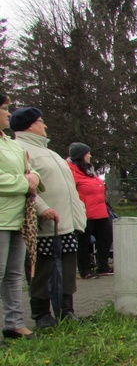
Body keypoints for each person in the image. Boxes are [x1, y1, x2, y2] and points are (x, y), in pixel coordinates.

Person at [11, 107, 87, 328]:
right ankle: (42, 314)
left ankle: (66, 310)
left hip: (66, 222)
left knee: (67, 268)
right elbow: (25, 184)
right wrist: (41, 207)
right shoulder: (20, 149)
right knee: (42, 269)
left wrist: (78, 211)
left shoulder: (51, 153)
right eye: (41, 121)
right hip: (45, 224)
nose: (45, 126)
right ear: (30, 125)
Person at [0, 93, 41, 341]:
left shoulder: (12, 143)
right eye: (4, 108)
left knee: (14, 274)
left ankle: (14, 324)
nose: (7, 113)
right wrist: (24, 182)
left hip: (18, 219)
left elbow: (28, 168)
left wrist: (33, 177)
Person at [67, 142, 113, 278]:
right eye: (88, 153)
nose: (90, 155)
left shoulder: (89, 171)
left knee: (106, 237)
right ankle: (85, 270)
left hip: (100, 212)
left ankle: (102, 265)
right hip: (84, 213)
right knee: (83, 243)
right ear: (81, 155)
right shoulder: (71, 171)